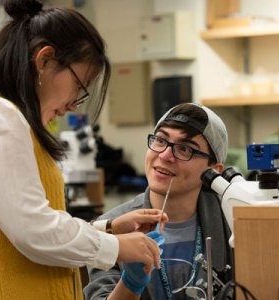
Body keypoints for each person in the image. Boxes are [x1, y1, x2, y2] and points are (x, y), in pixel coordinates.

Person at [0, 1, 167, 299]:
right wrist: (116, 246)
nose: (72, 104)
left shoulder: (11, 119)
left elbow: (35, 221)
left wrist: (108, 230)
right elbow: (34, 230)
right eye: (80, 86)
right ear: (44, 60)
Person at [84, 103, 235, 300]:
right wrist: (130, 283)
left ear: (214, 170)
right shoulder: (112, 227)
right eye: (161, 140)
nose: (164, 156)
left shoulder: (233, 223)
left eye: (184, 149)